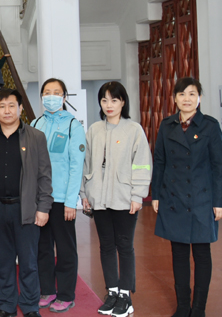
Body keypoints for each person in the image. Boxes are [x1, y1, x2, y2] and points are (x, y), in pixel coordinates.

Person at [151, 77, 222, 317]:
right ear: (175, 98)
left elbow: (219, 167)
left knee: (202, 254)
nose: (187, 99)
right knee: (179, 254)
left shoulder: (210, 126)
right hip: (174, 199)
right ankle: (183, 307)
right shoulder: (166, 126)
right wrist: (156, 194)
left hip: (202, 199)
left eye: (192, 94)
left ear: (199, 98)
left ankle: (199, 309)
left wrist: (219, 201)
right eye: (182, 94)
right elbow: (159, 162)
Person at [0, 88, 53, 317]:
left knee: (28, 262)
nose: (7, 110)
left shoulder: (35, 137)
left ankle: (29, 306)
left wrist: (43, 208)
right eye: (2, 106)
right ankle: (7, 305)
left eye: (11, 105)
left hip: (26, 208)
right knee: (4, 261)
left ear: (20, 108)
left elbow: (44, 175)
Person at [80, 81, 151, 317]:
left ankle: (125, 295)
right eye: (104, 100)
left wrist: (138, 195)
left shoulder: (134, 130)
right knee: (106, 246)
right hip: (99, 198)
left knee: (125, 246)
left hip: (124, 198)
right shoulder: (94, 130)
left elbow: (142, 164)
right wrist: (84, 193)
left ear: (123, 102)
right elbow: (86, 163)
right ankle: (112, 291)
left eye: (114, 100)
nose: (108, 105)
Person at [30, 79, 86, 313]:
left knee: (65, 249)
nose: (51, 96)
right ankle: (47, 290)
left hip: (63, 200)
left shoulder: (73, 126)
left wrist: (72, 201)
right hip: (40, 200)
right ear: (42, 97)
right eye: (47, 92)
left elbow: (76, 166)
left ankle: (65, 294)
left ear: (64, 98)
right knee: (42, 247)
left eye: (56, 92)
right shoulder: (35, 124)